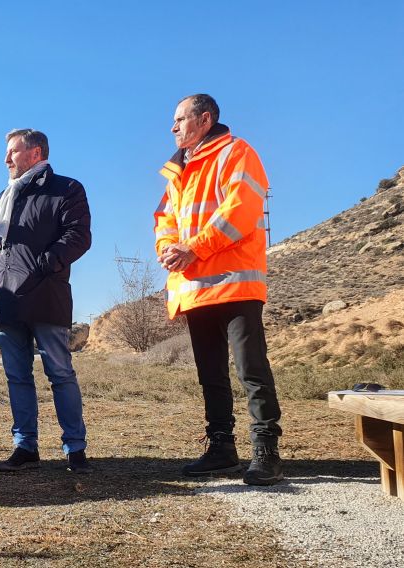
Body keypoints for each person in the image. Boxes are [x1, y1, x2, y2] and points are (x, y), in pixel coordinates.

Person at [154, 94, 283, 485]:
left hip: (236, 284)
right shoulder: (178, 171)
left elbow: (240, 211)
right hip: (194, 288)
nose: (173, 127)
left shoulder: (236, 152)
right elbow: (164, 218)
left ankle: (266, 451)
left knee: (251, 370)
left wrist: (191, 249)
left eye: (180, 119)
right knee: (211, 374)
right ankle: (221, 447)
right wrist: (167, 249)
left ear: (204, 119)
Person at [0, 129, 93, 474]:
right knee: (17, 377)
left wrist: (44, 265)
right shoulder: (6, 195)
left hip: (45, 294)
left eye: (12, 151)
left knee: (60, 373)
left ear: (35, 152)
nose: (6, 159)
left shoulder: (66, 189)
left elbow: (79, 236)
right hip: (6, 298)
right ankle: (25, 446)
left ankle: (74, 448)